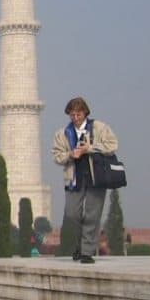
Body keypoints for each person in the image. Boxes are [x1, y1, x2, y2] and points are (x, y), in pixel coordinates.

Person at [51, 96, 119, 264]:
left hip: (96, 177)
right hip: (74, 178)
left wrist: (91, 149)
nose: (75, 118)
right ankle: (80, 245)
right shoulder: (63, 134)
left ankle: (87, 251)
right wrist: (70, 155)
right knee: (72, 214)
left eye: (78, 114)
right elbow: (57, 156)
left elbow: (112, 145)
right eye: (72, 115)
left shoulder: (99, 128)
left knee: (92, 214)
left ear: (85, 113)